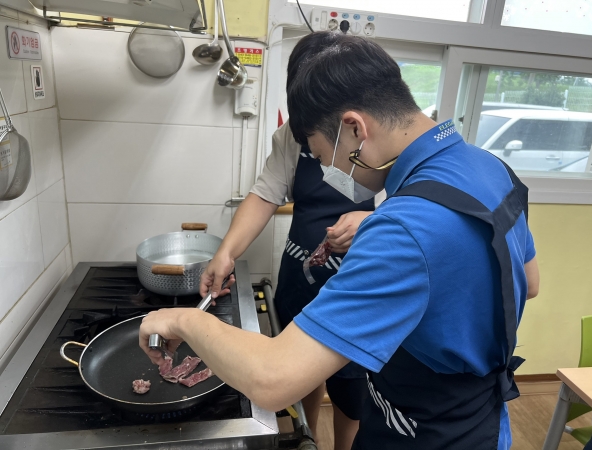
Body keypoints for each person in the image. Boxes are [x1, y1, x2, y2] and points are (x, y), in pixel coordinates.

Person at [140, 32, 540, 449]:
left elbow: (272, 380)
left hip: (426, 434)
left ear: (354, 128)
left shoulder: (401, 229)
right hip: (482, 420)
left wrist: (183, 320)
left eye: (320, 153)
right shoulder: (492, 168)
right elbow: (528, 283)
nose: (326, 171)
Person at [199, 32, 375, 449]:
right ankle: (304, 437)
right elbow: (264, 195)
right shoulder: (291, 137)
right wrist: (225, 253)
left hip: (356, 286)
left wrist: (371, 221)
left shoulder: (378, 141)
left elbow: (414, 214)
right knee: (299, 374)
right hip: (301, 278)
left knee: (351, 393)